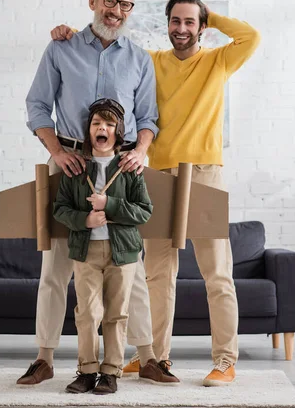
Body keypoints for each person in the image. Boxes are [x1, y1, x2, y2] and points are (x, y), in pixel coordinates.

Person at [50, 0, 261, 387]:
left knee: (217, 272)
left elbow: (251, 38)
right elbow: (108, 62)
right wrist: (69, 34)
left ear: (200, 26)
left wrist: (209, 16)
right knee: (158, 274)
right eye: (175, 21)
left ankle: (225, 360)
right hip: (157, 176)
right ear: (166, 24)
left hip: (202, 174)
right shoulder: (151, 61)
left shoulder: (218, 61)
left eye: (189, 22)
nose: (181, 29)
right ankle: (157, 358)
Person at [17, 0, 178, 386]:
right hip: (68, 162)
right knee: (55, 265)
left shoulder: (139, 58)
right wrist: (57, 152)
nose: (117, 10)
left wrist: (141, 150)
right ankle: (44, 358)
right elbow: (37, 107)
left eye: (125, 4)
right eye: (110, 1)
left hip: (122, 167)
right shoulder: (61, 47)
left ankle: (146, 358)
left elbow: (147, 118)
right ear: (93, 1)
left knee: (131, 264)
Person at [54, 99, 178, 394]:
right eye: (97, 124)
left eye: (109, 125)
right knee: (87, 312)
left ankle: (110, 372)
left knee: (117, 314)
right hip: (85, 252)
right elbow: (60, 210)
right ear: (89, 130)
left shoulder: (129, 169)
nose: (102, 129)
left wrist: (108, 204)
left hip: (122, 252)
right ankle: (86, 371)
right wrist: (84, 220)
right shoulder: (74, 169)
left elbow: (143, 211)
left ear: (117, 132)